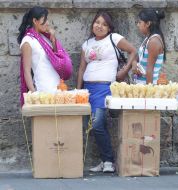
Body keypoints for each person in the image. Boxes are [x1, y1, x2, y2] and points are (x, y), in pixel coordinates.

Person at [76, 11, 136, 172]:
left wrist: (123, 71)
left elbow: (132, 51)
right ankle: (105, 160)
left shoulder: (114, 38)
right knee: (94, 125)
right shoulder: (86, 44)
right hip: (87, 88)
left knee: (96, 123)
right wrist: (78, 89)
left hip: (104, 87)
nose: (100, 26)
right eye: (97, 22)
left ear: (109, 28)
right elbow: (82, 68)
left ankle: (109, 161)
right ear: (92, 24)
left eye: (104, 24)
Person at [17, 6, 72, 105]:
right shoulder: (28, 41)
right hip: (43, 90)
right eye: (44, 19)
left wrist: (53, 40)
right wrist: (34, 94)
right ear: (35, 20)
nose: (48, 23)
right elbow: (26, 71)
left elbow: (56, 58)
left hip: (57, 87)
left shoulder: (44, 37)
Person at [134, 8, 166, 84]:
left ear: (148, 24)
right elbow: (137, 58)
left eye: (139, 22)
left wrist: (149, 93)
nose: (138, 25)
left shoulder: (153, 42)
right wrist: (134, 64)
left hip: (148, 87)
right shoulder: (148, 39)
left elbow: (150, 70)